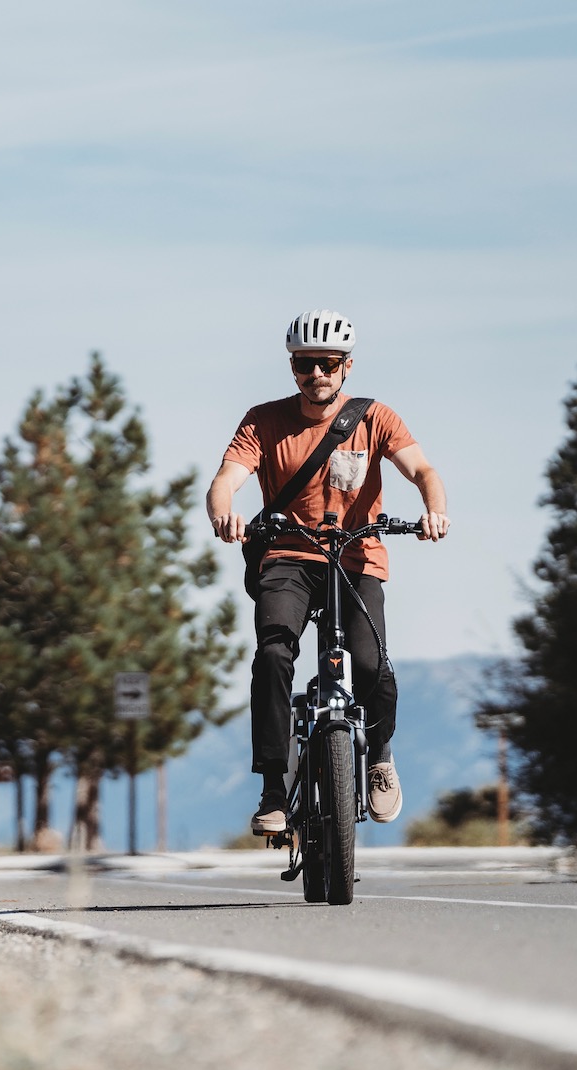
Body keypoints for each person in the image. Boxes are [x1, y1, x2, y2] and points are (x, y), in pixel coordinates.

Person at [203, 309, 450, 837]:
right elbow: (226, 479)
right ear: (293, 368)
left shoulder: (375, 418)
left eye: (328, 364)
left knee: (372, 663)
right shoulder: (263, 421)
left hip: (356, 557)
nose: (316, 374)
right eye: (305, 364)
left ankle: (379, 755)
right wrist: (225, 514)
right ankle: (273, 787)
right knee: (273, 653)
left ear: (346, 367)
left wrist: (434, 510)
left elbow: (422, 470)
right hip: (289, 558)